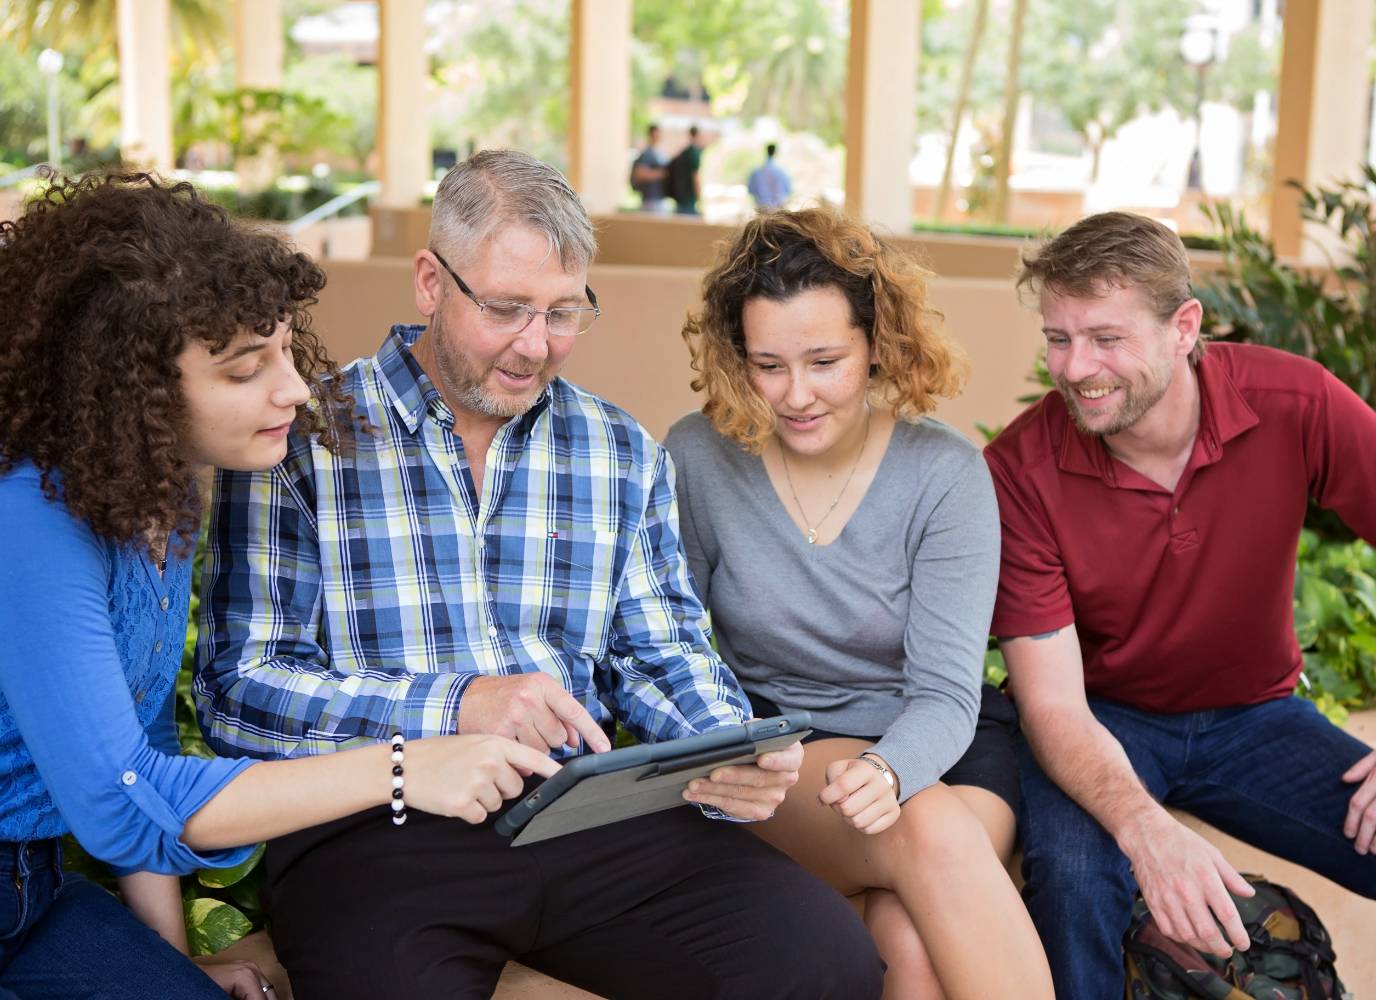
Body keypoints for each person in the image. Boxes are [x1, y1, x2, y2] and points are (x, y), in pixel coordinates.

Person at [195, 150, 884, 1000]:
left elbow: (659, 653)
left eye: (564, 313)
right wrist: (458, 706)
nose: (535, 345)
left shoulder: (621, 452)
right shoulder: (298, 441)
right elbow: (239, 693)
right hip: (377, 828)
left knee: (826, 966)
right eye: (507, 308)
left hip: (584, 812)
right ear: (429, 282)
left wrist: (723, 746)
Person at [0, 173, 563, 1000]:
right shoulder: (31, 522)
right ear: (134, 392)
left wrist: (176, 965)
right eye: (242, 371)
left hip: (33, 891)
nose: (295, 389)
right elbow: (125, 802)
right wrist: (404, 767)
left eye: (283, 351)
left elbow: (144, 751)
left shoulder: (155, 500)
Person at [986, 210, 1376, 998]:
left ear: (1183, 326)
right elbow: (1051, 705)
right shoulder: (1020, 467)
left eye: (1106, 338)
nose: (1075, 366)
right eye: (1058, 338)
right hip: (1100, 720)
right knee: (1076, 883)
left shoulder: (1292, 401)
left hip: (1258, 720)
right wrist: (1147, 831)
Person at [667, 207, 1053, 1000]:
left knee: (909, 942)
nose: (796, 395)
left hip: (943, 740)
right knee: (928, 831)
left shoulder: (944, 474)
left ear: (877, 343)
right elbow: (671, 643)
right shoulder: (700, 457)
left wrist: (890, 766)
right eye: (769, 365)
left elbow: (947, 692)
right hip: (787, 744)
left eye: (824, 360)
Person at [629, 122, 669, 214]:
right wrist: (662, 174)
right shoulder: (647, 154)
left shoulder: (659, 153)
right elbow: (640, 173)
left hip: (659, 199)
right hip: (651, 201)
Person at [668, 125, 705, 215]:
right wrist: (700, 199)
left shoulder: (684, 152)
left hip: (680, 195)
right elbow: (695, 176)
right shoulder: (694, 153)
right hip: (689, 199)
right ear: (698, 135)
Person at [747, 143, 792, 210]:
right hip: (778, 211)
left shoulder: (756, 172)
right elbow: (788, 191)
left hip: (762, 210)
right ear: (775, 152)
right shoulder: (782, 172)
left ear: (766, 151)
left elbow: (750, 190)